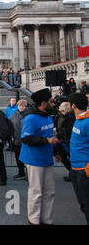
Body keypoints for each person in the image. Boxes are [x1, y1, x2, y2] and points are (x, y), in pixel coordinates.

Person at [20, 88, 60, 225]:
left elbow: (49, 135)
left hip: (47, 158)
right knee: (36, 192)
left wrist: (55, 152)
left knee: (50, 191)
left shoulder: (48, 116)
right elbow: (25, 138)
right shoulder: (30, 118)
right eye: (50, 101)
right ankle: (34, 220)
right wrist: (47, 141)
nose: (53, 104)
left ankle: (47, 220)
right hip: (34, 159)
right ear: (43, 103)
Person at [67, 93, 89, 224]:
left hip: (83, 170)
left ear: (73, 105)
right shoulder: (78, 119)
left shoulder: (87, 121)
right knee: (83, 205)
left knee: (87, 206)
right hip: (75, 169)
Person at [54, 101, 76, 182]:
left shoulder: (70, 117)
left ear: (65, 108)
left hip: (67, 140)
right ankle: (71, 172)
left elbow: (68, 129)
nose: (59, 106)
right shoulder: (58, 116)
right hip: (60, 140)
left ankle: (73, 174)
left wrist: (58, 130)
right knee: (63, 158)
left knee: (71, 157)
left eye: (61, 106)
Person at [9, 99, 28, 180]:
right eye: (20, 105)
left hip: (27, 140)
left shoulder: (28, 115)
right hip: (17, 139)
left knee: (27, 158)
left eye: (23, 106)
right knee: (18, 157)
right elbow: (9, 123)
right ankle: (21, 173)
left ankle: (29, 174)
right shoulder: (13, 115)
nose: (21, 107)